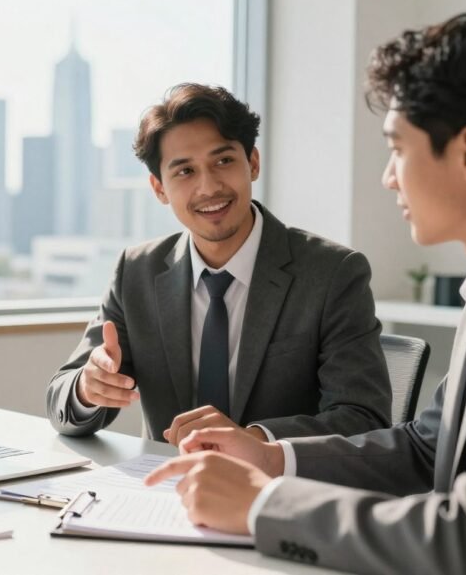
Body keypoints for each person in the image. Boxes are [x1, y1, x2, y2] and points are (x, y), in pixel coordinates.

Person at [146, 10, 466, 574]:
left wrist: (263, 506)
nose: (388, 177)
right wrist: (270, 457)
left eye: (397, 148)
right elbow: (429, 451)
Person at [46, 83, 392, 446]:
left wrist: (254, 440)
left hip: (278, 493)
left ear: (253, 163)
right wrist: (87, 388)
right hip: (168, 492)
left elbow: (364, 417)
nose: (209, 187)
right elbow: (59, 403)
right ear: (159, 188)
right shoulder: (136, 272)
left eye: (224, 161)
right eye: (184, 172)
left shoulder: (332, 273)